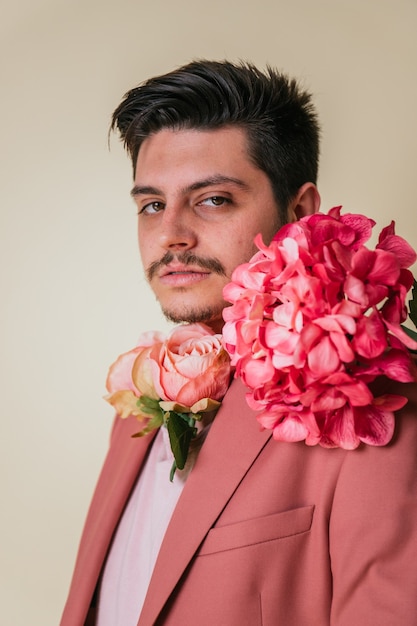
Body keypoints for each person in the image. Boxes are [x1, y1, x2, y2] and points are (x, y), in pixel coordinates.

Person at [61, 60, 417, 625]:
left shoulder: (371, 402)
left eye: (214, 199)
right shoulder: (139, 399)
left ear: (299, 212)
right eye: (152, 204)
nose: (171, 233)